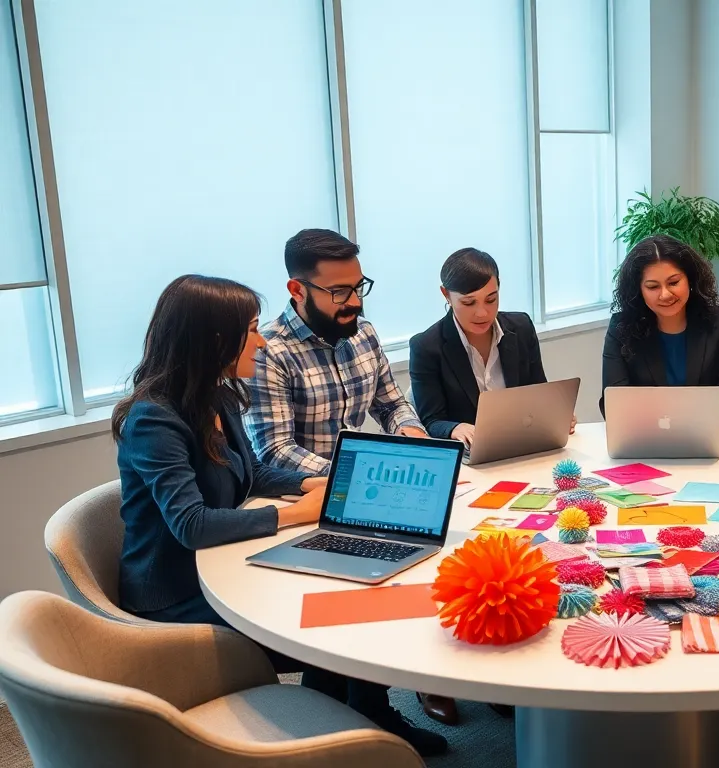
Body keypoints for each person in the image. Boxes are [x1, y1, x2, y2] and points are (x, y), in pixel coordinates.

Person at [114, 275, 447, 757]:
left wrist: (312, 484)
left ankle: (354, 722)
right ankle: (333, 738)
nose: (261, 339)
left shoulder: (218, 395)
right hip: (177, 595)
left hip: (223, 564)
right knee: (328, 621)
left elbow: (251, 473)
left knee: (344, 596)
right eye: (250, 329)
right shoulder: (154, 418)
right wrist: (292, 516)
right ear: (214, 340)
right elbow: (192, 525)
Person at [243, 228, 462, 727]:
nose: (351, 303)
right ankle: (363, 716)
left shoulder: (360, 332)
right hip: (308, 501)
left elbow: (391, 402)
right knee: (365, 595)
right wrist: (366, 476)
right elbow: (274, 452)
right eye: (338, 291)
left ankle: (370, 706)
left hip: (366, 491)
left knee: (434, 554)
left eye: (358, 287)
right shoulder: (269, 353)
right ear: (296, 290)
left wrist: (411, 437)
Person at [409, 247, 573, 448]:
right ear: (446, 295)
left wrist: (554, 415)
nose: (482, 313)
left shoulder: (520, 328)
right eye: (469, 303)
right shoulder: (426, 347)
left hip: (522, 446)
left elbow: (538, 392)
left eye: (491, 299)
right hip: (471, 456)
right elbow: (432, 420)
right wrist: (455, 428)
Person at [600, 234, 719, 421]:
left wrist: (698, 421)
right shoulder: (621, 327)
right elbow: (612, 402)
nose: (665, 294)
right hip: (645, 436)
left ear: (690, 280)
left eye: (674, 282)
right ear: (639, 290)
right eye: (653, 287)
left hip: (704, 432)